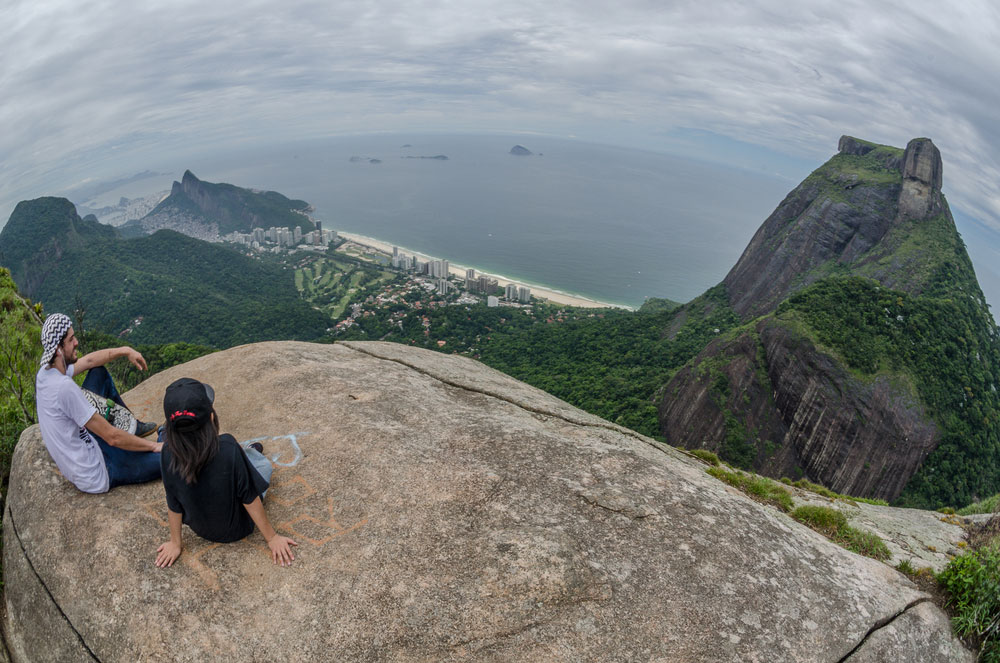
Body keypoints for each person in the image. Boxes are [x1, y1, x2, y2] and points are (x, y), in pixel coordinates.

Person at [154, 377, 297, 567]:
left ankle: (247, 452)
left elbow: (173, 501)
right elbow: (249, 496)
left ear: (169, 429)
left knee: (236, 458)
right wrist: (272, 538)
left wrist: (175, 543)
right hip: (239, 527)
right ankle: (251, 451)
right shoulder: (227, 447)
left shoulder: (166, 453)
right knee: (262, 465)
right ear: (212, 418)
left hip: (201, 529)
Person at [35, 313, 162, 494]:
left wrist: (125, 350)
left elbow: (89, 361)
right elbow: (112, 437)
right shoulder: (63, 388)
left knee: (98, 372)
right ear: (58, 349)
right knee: (171, 460)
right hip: (99, 470)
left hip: (88, 442)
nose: (77, 342)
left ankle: (133, 427)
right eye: (71, 340)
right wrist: (154, 446)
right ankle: (162, 437)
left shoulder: (46, 373)